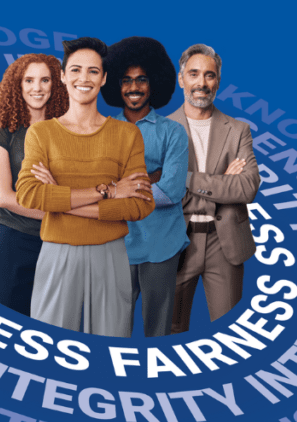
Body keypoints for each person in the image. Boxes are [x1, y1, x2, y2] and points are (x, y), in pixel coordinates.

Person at [15, 37, 154, 337]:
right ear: (63, 76)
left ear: (103, 79)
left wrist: (62, 200)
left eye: (93, 71)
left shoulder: (126, 134)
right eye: (75, 70)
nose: (84, 78)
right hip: (56, 253)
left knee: (110, 349)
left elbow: (140, 204)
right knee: (49, 350)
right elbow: (29, 195)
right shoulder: (42, 133)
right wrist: (108, 191)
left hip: (111, 255)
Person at [168, 44, 261, 333]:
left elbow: (246, 189)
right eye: (193, 74)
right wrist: (222, 181)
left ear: (218, 81)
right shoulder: (160, 129)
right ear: (181, 79)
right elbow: (159, 190)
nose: (201, 83)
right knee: (170, 330)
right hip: (175, 241)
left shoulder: (239, 130)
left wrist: (185, 178)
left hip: (226, 244)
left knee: (230, 334)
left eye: (209, 75)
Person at [102, 36, 189, 337]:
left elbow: (171, 192)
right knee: (113, 329)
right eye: (126, 80)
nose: (133, 88)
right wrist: (148, 178)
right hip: (115, 244)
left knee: (158, 330)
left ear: (154, 83)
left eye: (141, 80)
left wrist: (117, 188)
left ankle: (155, 382)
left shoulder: (173, 132)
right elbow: (95, 190)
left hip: (161, 243)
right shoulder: (102, 132)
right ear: (115, 84)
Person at [0, 54, 69, 316]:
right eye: (29, 80)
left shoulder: (69, 131)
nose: (37, 87)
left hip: (60, 244)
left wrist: (62, 201)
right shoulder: (3, 131)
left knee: (53, 324)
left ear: (56, 84)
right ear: (17, 85)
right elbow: (5, 197)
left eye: (45, 80)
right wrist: (56, 212)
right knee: (7, 324)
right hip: (15, 240)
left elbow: (75, 188)